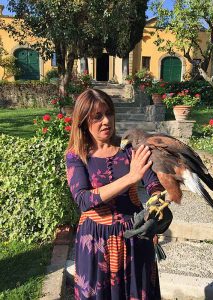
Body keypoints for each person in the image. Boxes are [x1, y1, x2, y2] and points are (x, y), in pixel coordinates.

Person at [65, 88, 167, 299]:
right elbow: (84, 200)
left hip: (134, 237)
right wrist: (130, 177)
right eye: (97, 117)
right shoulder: (77, 155)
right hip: (95, 242)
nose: (106, 121)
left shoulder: (129, 149)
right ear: (83, 121)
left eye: (109, 113)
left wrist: (156, 211)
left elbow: (153, 185)